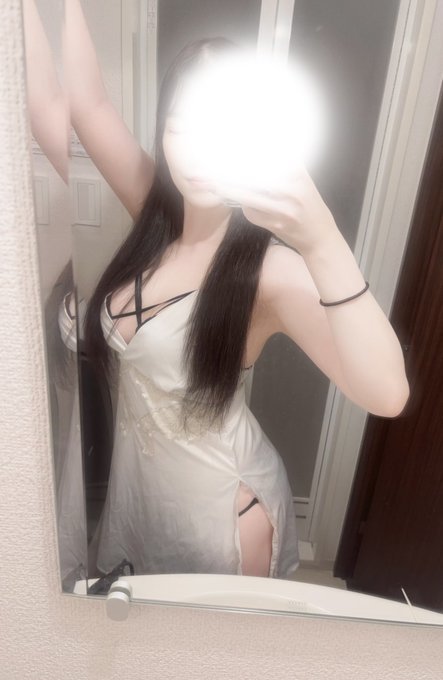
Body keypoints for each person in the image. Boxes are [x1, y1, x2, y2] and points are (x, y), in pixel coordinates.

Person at [65, 8, 409, 578]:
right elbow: (88, 105)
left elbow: (387, 394)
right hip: (143, 501)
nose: (198, 150)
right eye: (181, 125)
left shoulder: (267, 270)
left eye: (220, 128)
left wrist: (322, 238)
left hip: (223, 518)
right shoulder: (155, 210)